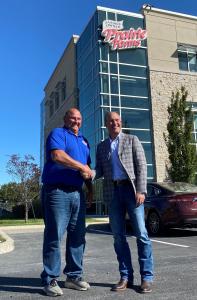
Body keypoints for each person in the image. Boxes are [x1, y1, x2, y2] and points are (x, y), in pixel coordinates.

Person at [95, 111, 154, 293]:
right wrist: (87, 173)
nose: (115, 123)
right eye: (111, 121)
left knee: (141, 234)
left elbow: (142, 166)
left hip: (131, 190)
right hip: (113, 192)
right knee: (118, 237)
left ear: (120, 122)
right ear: (106, 124)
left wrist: (141, 190)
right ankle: (126, 276)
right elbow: (99, 171)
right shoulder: (102, 146)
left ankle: (146, 278)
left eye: (117, 120)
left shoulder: (132, 139)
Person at [41, 108, 93, 297]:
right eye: (72, 118)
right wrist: (81, 167)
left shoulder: (84, 141)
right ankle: (50, 279)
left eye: (79, 119)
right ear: (65, 118)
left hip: (77, 193)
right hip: (57, 191)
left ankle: (73, 276)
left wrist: (91, 190)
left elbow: (87, 169)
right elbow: (58, 156)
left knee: (78, 236)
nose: (76, 121)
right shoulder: (58, 133)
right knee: (54, 235)